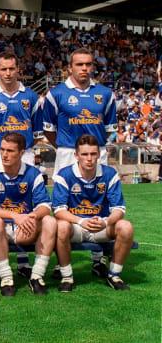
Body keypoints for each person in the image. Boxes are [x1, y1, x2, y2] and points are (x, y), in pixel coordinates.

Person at [43, 47, 117, 271]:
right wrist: (67, 147)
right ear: (70, 67)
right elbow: (48, 129)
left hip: (98, 152)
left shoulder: (105, 93)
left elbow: (110, 128)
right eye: (79, 64)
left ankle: (98, 257)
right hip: (67, 152)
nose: (84, 68)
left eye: (88, 64)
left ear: (93, 66)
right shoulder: (56, 94)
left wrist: (96, 149)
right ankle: (60, 263)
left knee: (99, 202)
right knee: (62, 206)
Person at [0, 51, 42, 278]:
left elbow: (38, 131)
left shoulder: (31, 96)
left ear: (18, 69)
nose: (7, 73)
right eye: (3, 69)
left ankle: (24, 260)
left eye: (11, 68)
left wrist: (25, 151)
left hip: (26, 152)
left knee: (26, 202)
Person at [53, 134, 134, 291]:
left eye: (92, 154)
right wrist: (81, 221)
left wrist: (106, 221)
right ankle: (67, 277)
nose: (89, 158)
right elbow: (58, 209)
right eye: (84, 154)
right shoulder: (64, 175)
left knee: (126, 227)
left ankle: (114, 275)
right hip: (76, 226)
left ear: (98, 154)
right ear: (76, 155)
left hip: (101, 225)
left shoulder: (110, 174)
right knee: (61, 226)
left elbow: (119, 209)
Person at [0, 132, 57, 296]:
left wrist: (33, 216)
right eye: (2, 150)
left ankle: (36, 276)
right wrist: (16, 216)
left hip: (25, 227)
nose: (4, 154)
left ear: (22, 153)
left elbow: (45, 205)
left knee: (49, 221)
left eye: (10, 151)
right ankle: (6, 278)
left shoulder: (33, 173)